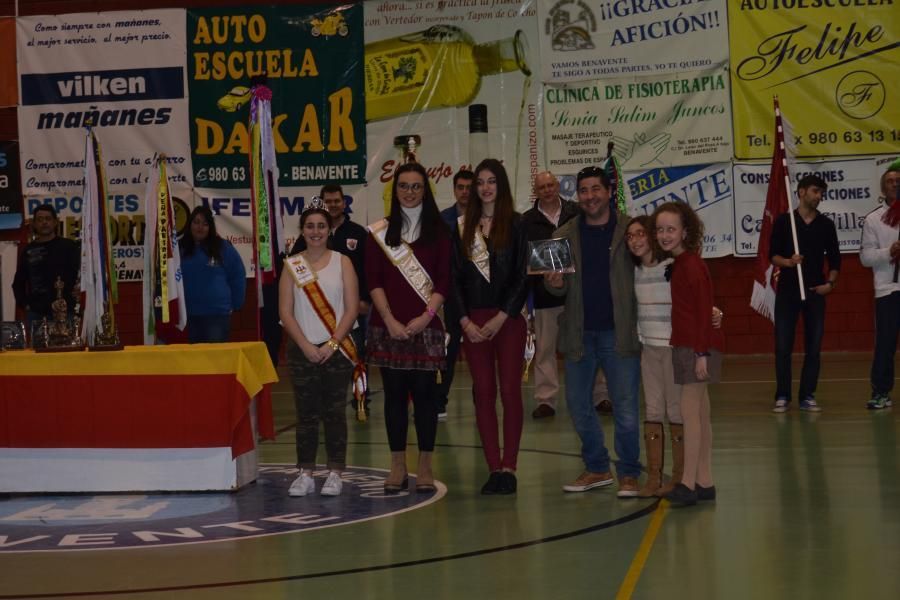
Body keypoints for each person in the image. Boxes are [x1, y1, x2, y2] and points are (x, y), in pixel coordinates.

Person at [545, 166, 641, 498]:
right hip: (578, 334)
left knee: (626, 407)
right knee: (577, 404)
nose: (590, 196)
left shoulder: (630, 231)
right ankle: (598, 467)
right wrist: (554, 283)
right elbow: (555, 289)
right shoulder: (563, 236)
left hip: (620, 333)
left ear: (608, 191)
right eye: (583, 191)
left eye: (595, 189)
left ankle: (629, 474)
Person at [366, 162, 450, 494]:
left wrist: (427, 316)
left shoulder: (440, 232)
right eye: (404, 185)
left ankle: (425, 465)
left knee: (427, 398)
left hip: (426, 326)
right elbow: (372, 280)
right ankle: (398, 464)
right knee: (395, 398)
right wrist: (389, 319)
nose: (410, 192)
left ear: (425, 190)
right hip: (388, 326)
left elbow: (444, 280)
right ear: (395, 189)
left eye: (416, 186)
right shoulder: (379, 232)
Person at [626, 215, 724, 498]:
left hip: (676, 348)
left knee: (682, 410)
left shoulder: (675, 266)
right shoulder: (632, 271)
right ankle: (656, 476)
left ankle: (685, 477)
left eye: (641, 233)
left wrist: (714, 314)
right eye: (629, 236)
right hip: (649, 348)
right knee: (655, 409)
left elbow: (697, 301)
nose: (636, 240)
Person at [453, 158, 528, 495]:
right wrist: (464, 320)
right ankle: (493, 467)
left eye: (491, 181)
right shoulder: (461, 228)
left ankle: (510, 467)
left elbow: (523, 275)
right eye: (479, 182)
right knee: (483, 393)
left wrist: (503, 316)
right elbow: (452, 279)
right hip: (473, 324)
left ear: (501, 185)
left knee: (510, 391)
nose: (484, 188)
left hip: (507, 320)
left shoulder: (517, 223)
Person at [280, 204, 360, 497]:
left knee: (335, 413)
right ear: (302, 230)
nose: (316, 231)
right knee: (306, 415)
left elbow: (351, 309)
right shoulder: (292, 265)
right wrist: (306, 347)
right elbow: (285, 312)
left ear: (329, 230)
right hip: (303, 351)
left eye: (321, 226)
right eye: (310, 226)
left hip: (336, 351)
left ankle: (335, 472)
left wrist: (332, 343)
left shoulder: (343, 263)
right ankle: (305, 472)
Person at [653, 201, 724, 506]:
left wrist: (700, 353)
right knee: (701, 412)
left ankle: (687, 483)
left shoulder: (691, 265)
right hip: (696, 345)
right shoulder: (683, 264)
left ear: (685, 231)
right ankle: (704, 480)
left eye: (671, 229)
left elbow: (701, 309)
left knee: (689, 413)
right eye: (660, 229)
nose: (664, 235)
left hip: (695, 347)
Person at [291, 184, 371, 405]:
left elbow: (368, 270)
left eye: (337, 200)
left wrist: (364, 301)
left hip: (354, 312)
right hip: (316, 318)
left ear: (344, 203)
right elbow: (292, 279)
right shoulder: (301, 244)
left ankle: (361, 400)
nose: (316, 232)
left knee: (358, 357)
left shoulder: (357, 233)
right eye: (329, 201)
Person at [769, 174, 840, 413]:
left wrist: (829, 284)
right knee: (782, 346)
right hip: (788, 292)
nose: (819, 196)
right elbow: (773, 256)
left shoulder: (826, 225)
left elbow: (835, 261)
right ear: (801, 192)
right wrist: (789, 262)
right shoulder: (783, 222)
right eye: (814, 191)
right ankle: (782, 395)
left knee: (814, 346)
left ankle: (807, 394)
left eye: (821, 193)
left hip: (815, 293)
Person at [522, 171, 580, 419]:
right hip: (544, 296)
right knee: (545, 349)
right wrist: (537, 272)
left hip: (577, 295)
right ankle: (546, 400)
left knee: (584, 347)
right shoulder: (526, 221)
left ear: (558, 186)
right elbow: (523, 258)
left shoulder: (576, 213)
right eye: (542, 187)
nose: (547, 190)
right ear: (535, 191)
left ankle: (600, 395)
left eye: (550, 185)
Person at [860, 165, 900, 410]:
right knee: (885, 344)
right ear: (883, 187)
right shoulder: (874, 219)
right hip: (888, 289)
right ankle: (880, 392)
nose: (895, 184)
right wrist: (890, 252)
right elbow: (866, 258)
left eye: (898, 180)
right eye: (890, 181)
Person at [436, 169, 475, 419]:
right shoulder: (442, 220)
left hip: (480, 297)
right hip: (451, 297)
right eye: (460, 187)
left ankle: (483, 402)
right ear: (454, 190)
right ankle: (439, 401)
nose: (465, 192)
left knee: (480, 354)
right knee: (448, 352)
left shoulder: (486, 217)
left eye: (469, 187)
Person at [180, 205, 246, 343]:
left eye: (205, 224)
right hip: (189, 316)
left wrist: (235, 304)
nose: (200, 227)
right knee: (195, 362)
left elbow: (238, 275)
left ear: (211, 227)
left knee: (216, 361)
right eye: (196, 222)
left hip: (217, 316)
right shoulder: (180, 249)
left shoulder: (223, 247)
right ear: (190, 224)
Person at [12, 205, 80, 329]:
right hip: (37, 314)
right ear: (34, 224)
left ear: (55, 222)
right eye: (40, 219)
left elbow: (81, 275)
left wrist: (78, 291)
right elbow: (18, 283)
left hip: (65, 312)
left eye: (48, 219)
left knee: (67, 348)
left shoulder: (69, 247)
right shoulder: (29, 250)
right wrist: (26, 305)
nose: (44, 222)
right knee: (38, 348)